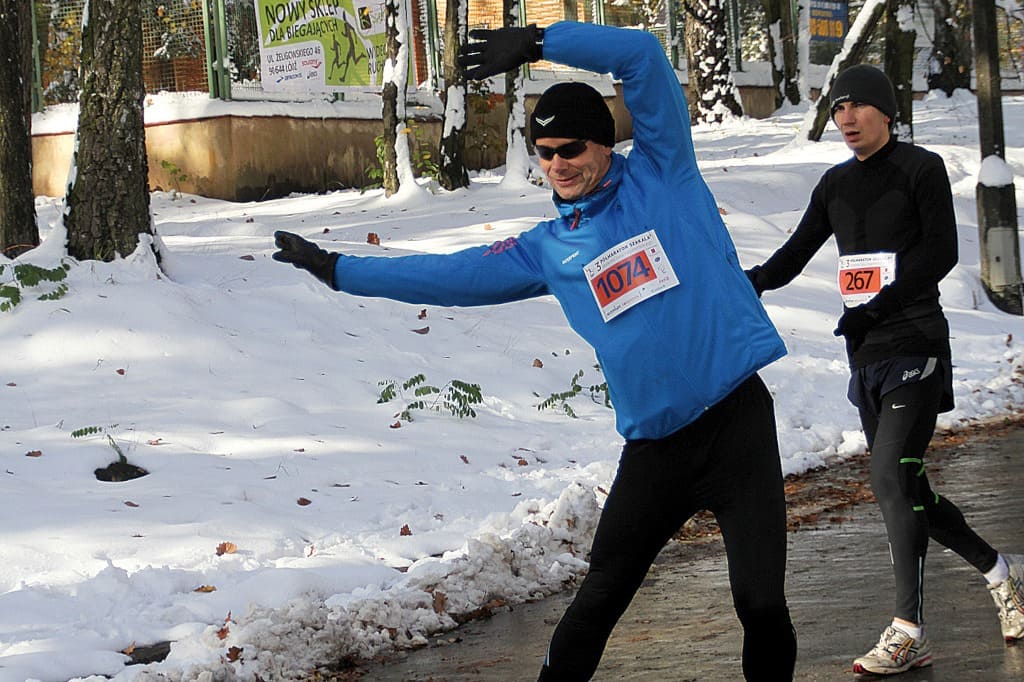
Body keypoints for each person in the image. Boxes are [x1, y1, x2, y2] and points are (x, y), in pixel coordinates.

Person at [273, 20, 797, 682]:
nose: (558, 163)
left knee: (759, 600)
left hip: (736, 426)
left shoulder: (664, 173)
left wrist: (538, 41)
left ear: (605, 145)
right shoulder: (550, 250)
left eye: (571, 147)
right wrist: (341, 271)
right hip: (659, 448)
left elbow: (641, 56)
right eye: (544, 152)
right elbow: (449, 276)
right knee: (599, 597)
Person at [746, 64, 1024, 676]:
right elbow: (796, 251)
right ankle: (1002, 574)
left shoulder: (920, 169)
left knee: (890, 479)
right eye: (837, 108)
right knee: (910, 488)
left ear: (886, 112)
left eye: (856, 106)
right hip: (865, 354)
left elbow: (941, 252)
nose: (845, 118)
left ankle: (909, 629)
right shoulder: (835, 184)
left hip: (917, 343)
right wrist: (751, 284)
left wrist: (882, 304)